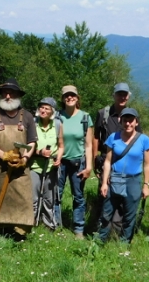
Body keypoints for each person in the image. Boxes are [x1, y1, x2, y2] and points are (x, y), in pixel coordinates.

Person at [0, 79, 36, 228]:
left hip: (20, 169)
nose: (8, 96)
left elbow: (32, 142)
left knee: (21, 199)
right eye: (5, 93)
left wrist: (24, 158)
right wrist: (4, 155)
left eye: (11, 93)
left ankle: (20, 228)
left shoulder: (27, 116)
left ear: (18, 95)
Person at [93, 82, 140, 240]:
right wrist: (94, 159)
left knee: (121, 202)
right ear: (113, 95)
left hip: (124, 167)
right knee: (104, 198)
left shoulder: (132, 116)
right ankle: (99, 230)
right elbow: (95, 137)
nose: (122, 97)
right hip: (106, 161)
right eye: (119, 94)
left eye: (125, 94)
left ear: (128, 96)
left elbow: (138, 141)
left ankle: (115, 233)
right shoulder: (103, 114)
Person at [99, 108, 149, 244]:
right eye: (125, 120)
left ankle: (124, 244)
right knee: (106, 213)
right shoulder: (113, 138)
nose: (128, 123)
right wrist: (104, 182)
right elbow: (108, 161)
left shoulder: (144, 140)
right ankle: (99, 241)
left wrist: (146, 185)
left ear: (136, 122)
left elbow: (147, 165)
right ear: (120, 121)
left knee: (129, 215)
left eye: (131, 120)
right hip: (115, 179)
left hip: (133, 181)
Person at [57, 85, 93, 238]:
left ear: (77, 98)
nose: (69, 98)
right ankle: (55, 224)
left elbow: (89, 145)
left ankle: (78, 229)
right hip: (60, 162)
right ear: (63, 99)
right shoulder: (57, 117)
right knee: (56, 195)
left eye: (72, 95)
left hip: (78, 162)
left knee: (78, 196)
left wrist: (89, 166)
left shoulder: (85, 117)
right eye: (67, 95)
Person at [31, 97, 63, 229]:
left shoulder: (57, 125)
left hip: (51, 167)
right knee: (33, 198)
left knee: (49, 199)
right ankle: (30, 224)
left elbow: (61, 145)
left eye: (47, 108)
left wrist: (59, 158)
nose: (43, 110)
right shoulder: (32, 123)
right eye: (41, 107)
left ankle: (48, 225)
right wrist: (40, 152)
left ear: (52, 111)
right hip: (34, 166)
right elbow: (28, 146)